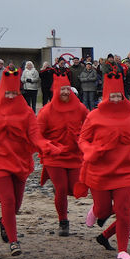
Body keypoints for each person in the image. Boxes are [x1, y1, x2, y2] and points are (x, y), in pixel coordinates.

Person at [0, 67, 56, 256]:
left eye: (13, 93)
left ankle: (4, 222)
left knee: (15, 205)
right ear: (1, 92)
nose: (10, 96)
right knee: (7, 200)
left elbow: (35, 135)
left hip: (19, 161)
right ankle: (14, 242)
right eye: (7, 93)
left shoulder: (26, 111)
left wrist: (46, 146)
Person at [76, 72, 130, 259]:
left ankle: (123, 250)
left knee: (124, 210)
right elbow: (82, 139)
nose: (116, 99)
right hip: (100, 171)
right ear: (106, 96)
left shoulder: (129, 116)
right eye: (113, 96)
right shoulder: (94, 116)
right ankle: (95, 212)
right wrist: (90, 150)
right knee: (103, 210)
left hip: (125, 171)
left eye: (119, 96)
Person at [37, 70, 89, 236]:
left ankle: (61, 196)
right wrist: (49, 146)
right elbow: (37, 135)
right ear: (55, 91)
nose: (65, 92)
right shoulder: (46, 111)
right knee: (60, 188)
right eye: (62, 89)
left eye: (67, 88)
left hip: (74, 155)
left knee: (75, 189)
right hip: (54, 156)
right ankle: (63, 221)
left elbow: (91, 124)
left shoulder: (80, 108)